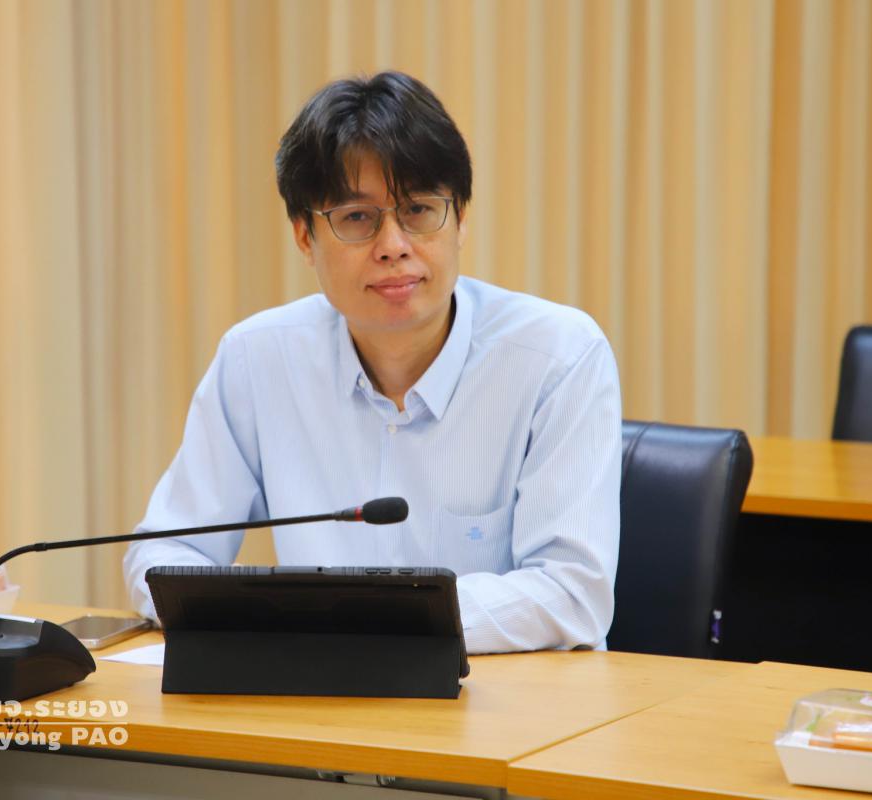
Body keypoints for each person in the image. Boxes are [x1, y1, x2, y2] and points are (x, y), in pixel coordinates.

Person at [123, 71, 621, 654]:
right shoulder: (258, 359)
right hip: (315, 696)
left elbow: (572, 593)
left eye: (418, 210)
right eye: (357, 218)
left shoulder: (558, 357)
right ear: (304, 237)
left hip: (508, 701)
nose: (393, 245)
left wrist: (353, 620)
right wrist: (270, 621)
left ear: (461, 218)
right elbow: (165, 552)